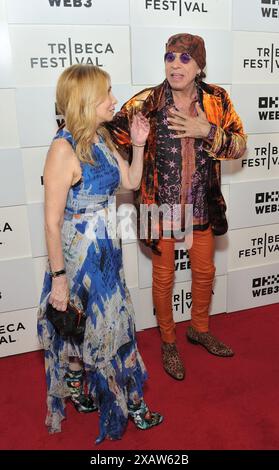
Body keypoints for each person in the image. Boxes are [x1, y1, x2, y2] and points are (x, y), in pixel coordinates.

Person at [108, 33, 247, 381]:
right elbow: (109, 138)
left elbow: (240, 146)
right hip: (159, 209)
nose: (175, 64)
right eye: (170, 57)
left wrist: (207, 130)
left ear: (200, 65)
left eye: (185, 58)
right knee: (163, 276)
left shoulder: (217, 100)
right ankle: (168, 339)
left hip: (202, 203)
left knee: (205, 273)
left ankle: (199, 328)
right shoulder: (146, 103)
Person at [37, 64, 163, 445]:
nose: (113, 99)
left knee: (95, 324)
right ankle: (132, 406)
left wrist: (139, 144)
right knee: (103, 327)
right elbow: (51, 223)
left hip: (108, 247)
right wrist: (59, 280)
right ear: (85, 102)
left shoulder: (103, 136)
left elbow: (131, 182)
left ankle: (77, 384)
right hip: (78, 257)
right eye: (106, 94)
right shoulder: (62, 149)